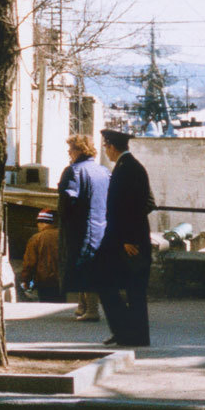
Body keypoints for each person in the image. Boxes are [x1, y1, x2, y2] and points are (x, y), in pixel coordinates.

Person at [98, 129, 155, 348]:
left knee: (122, 286)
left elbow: (136, 205)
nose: (106, 151)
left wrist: (130, 238)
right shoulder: (129, 167)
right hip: (125, 237)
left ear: (112, 146)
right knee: (129, 287)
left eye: (106, 147)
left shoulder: (128, 169)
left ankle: (129, 332)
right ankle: (126, 332)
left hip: (127, 240)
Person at [57, 133, 110, 322]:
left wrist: (64, 220)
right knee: (91, 265)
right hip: (101, 226)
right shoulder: (103, 171)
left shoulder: (74, 171)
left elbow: (68, 200)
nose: (69, 153)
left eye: (71, 149)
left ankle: (91, 309)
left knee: (84, 267)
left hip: (81, 228)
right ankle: (83, 306)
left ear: (79, 150)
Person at [20, 209, 65, 302]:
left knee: (47, 306)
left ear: (41, 223)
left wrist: (25, 280)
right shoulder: (63, 236)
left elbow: (30, 263)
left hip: (44, 282)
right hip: (62, 280)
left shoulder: (36, 238)